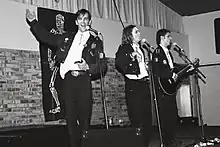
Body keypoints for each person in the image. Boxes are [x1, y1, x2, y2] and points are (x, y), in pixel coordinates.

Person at [26, 8, 107, 147]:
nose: (83, 21)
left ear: (90, 22)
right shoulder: (66, 38)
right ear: (76, 22)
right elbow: (46, 37)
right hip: (69, 81)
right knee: (70, 117)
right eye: (80, 19)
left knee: (84, 117)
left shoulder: (96, 41)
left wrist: (88, 67)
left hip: (83, 80)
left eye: (86, 19)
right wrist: (33, 22)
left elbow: (103, 65)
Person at [152, 29, 195, 147]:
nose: (171, 39)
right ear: (162, 38)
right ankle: (167, 142)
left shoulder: (168, 53)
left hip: (170, 89)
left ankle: (172, 139)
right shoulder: (157, 52)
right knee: (165, 116)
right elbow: (157, 70)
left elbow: (173, 67)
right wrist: (170, 75)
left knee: (172, 115)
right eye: (168, 37)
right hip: (163, 89)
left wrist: (186, 68)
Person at [115, 25, 153, 147]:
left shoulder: (140, 48)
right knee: (137, 115)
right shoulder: (124, 48)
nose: (139, 33)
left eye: (138, 31)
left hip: (144, 83)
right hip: (134, 85)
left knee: (147, 115)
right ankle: (138, 143)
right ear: (129, 35)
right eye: (136, 32)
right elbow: (119, 63)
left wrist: (144, 66)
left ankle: (146, 142)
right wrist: (131, 57)